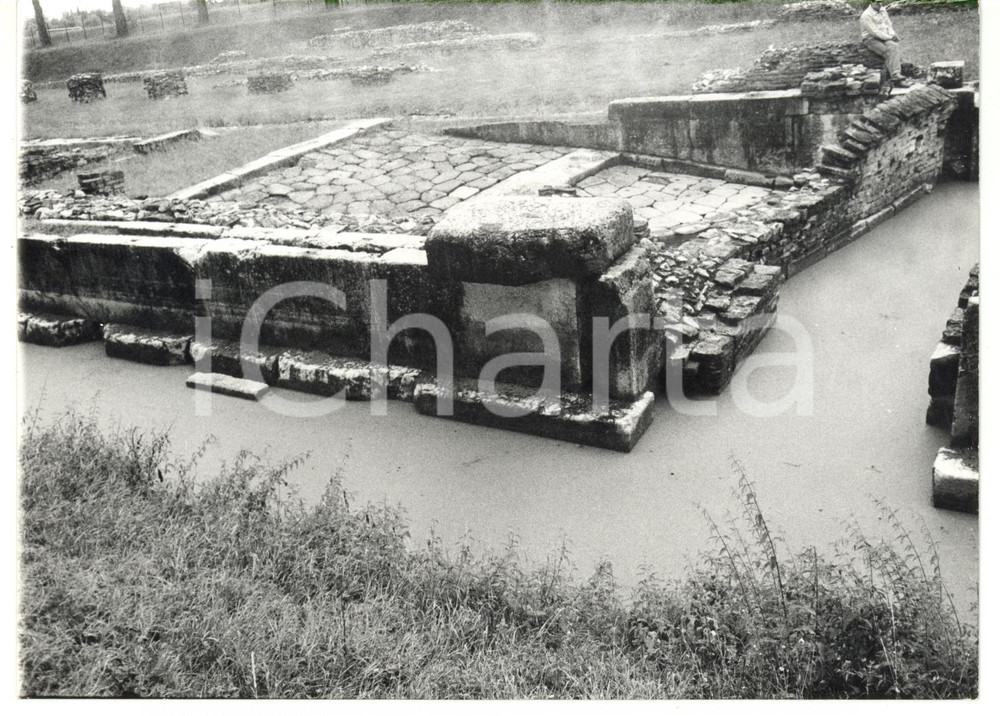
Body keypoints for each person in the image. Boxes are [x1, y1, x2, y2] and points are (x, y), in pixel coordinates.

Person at [860, 1, 913, 88]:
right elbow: (875, 33)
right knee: (887, 52)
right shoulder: (866, 15)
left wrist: (892, 34)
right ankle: (895, 78)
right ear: (871, 3)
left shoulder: (883, 10)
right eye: (877, 3)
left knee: (894, 46)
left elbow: (888, 24)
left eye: (880, 3)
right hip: (870, 39)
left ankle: (896, 75)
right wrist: (889, 38)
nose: (879, 5)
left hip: (884, 36)